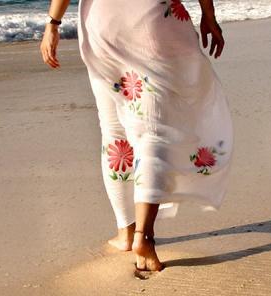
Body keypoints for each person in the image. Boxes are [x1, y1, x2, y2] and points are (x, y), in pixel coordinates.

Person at [41, 0, 233, 274]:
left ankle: (126, 233)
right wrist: (208, 14)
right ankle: (144, 236)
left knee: (114, 131)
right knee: (153, 131)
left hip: (103, 26)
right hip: (153, 21)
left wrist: (53, 24)